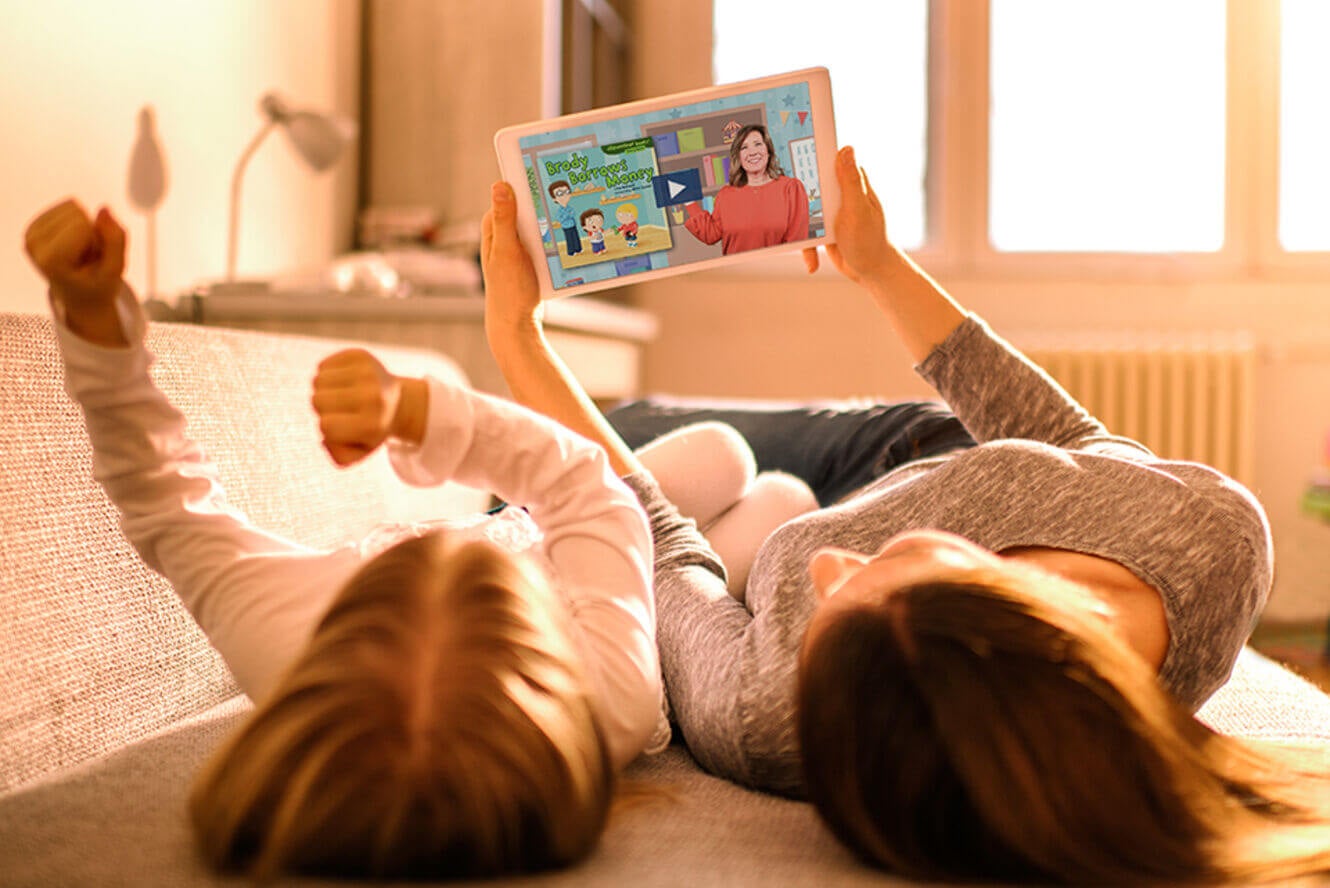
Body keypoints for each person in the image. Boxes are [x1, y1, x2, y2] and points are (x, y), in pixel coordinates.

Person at [481, 147, 1330, 883]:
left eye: (834, 597)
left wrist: (518, 338)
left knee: (560, 460)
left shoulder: (773, 715)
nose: (826, 563)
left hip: (744, 513)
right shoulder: (1213, 541)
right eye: (880, 569)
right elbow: (1069, 439)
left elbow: (656, 536)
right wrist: (878, 264)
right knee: (684, 434)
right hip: (914, 446)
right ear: (998, 596)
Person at [22, 199, 668, 879]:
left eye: (404, 575)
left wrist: (96, 327)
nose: (442, 554)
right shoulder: (614, 702)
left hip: (561, 540)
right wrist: (420, 413)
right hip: (614, 570)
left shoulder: (281, 633)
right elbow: (596, 494)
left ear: (344, 613)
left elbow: (163, 497)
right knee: (720, 464)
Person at [682, 123, 810, 255]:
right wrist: (688, 200)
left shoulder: (791, 188)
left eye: (758, 144)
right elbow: (710, 234)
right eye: (744, 147)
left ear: (768, 150)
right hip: (736, 268)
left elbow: (797, 242)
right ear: (738, 157)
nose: (752, 152)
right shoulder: (726, 195)